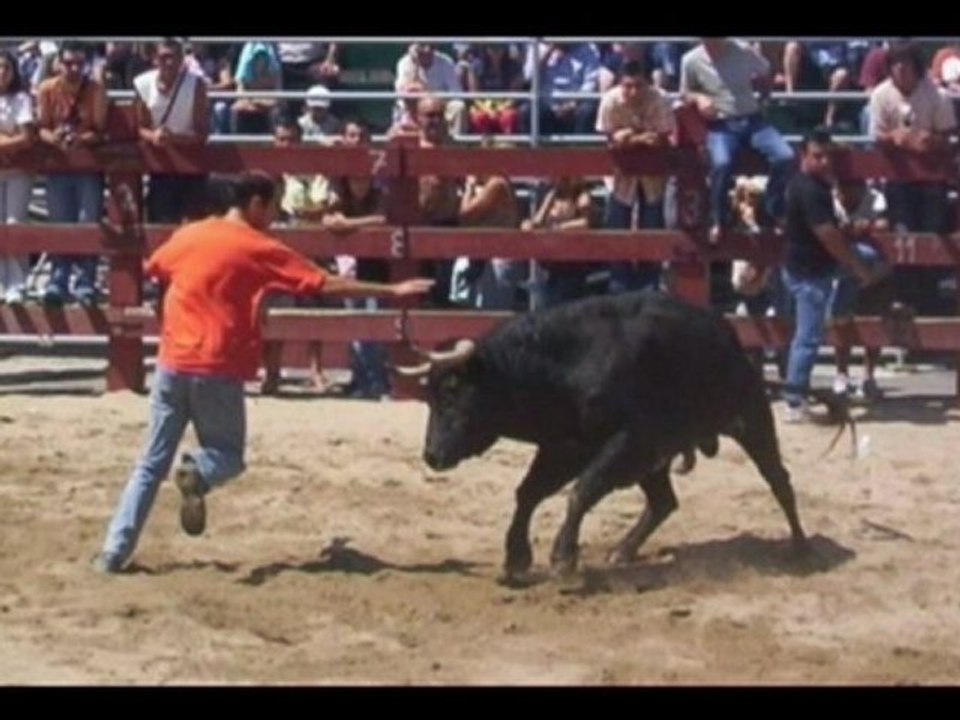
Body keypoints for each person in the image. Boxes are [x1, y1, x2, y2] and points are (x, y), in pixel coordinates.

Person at [92, 171, 433, 573]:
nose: (274, 216)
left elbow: (156, 269)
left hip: (171, 362)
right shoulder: (257, 246)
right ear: (256, 204)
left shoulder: (191, 235)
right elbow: (326, 284)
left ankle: (113, 551)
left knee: (150, 462)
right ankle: (198, 472)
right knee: (228, 456)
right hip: (217, 365)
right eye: (273, 207)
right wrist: (391, 292)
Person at [780, 128, 885, 423]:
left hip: (813, 265)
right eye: (818, 156)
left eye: (828, 156)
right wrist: (857, 268)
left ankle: (840, 308)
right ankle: (794, 399)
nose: (825, 161)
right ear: (804, 155)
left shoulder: (812, 184)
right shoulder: (810, 189)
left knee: (871, 258)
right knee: (808, 338)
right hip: (810, 271)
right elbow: (828, 236)